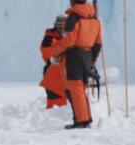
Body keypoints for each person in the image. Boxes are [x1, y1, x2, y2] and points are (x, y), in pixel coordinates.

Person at [49, 0, 102, 130]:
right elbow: (98, 42)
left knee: (75, 88)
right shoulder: (95, 18)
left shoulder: (74, 17)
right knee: (81, 88)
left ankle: (81, 121)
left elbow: (69, 40)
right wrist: (92, 59)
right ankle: (86, 118)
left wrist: (55, 53)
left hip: (74, 56)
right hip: (87, 55)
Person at [40, 15, 68, 109]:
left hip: (63, 74)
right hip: (52, 74)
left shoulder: (65, 39)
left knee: (62, 102)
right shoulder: (49, 39)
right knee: (55, 102)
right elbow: (49, 55)